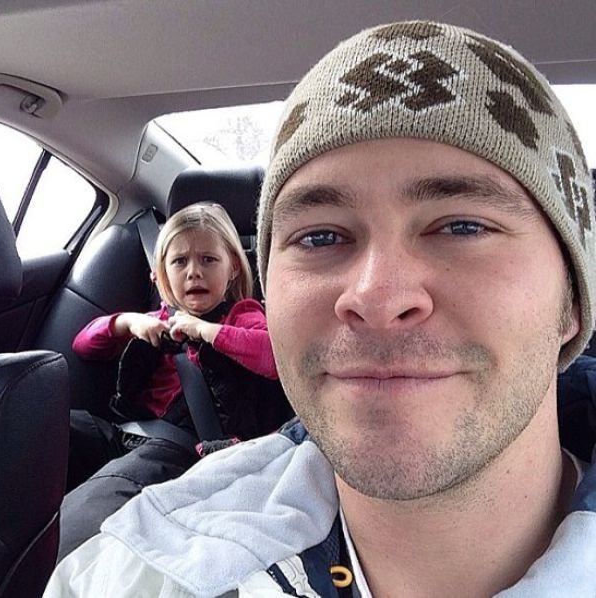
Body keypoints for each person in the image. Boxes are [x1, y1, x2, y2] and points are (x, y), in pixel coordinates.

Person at [45, 20, 596, 597]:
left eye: (463, 226)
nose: (376, 298)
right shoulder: (123, 574)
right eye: (320, 237)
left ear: (573, 302)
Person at [58, 201, 287, 560]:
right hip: (124, 433)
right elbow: (83, 344)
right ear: (161, 274)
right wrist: (126, 323)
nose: (194, 272)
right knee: (44, 426)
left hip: (182, 450)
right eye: (179, 262)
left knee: (100, 498)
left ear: (231, 268)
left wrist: (208, 331)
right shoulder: (159, 319)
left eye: (208, 260)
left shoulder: (242, 316)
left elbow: (276, 357)